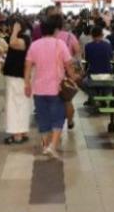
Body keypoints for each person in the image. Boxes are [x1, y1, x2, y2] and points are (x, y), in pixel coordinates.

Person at [24, 16, 79, 159]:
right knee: (58, 118)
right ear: (55, 30)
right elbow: (69, 64)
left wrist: (27, 83)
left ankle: (45, 146)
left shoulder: (34, 45)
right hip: (56, 88)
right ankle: (52, 146)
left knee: (43, 119)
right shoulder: (60, 44)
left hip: (39, 88)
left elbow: (28, 66)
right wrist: (73, 77)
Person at [2, 19, 32, 144]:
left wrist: (15, 29)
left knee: (14, 105)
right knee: (20, 104)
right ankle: (22, 132)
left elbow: (12, 43)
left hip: (17, 77)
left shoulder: (23, 39)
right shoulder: (24, 38)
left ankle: (17, 135)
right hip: (17, 77)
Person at [81, 26, 113, 106]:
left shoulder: (88, 46)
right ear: (102, 34)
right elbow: (111, 57)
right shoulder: (107, 45)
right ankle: (103, 98)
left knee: (83, 83)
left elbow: (87, 59)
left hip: (93, 75)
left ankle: (93, 97)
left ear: (91, 35)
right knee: (108, 84)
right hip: (107, 76)